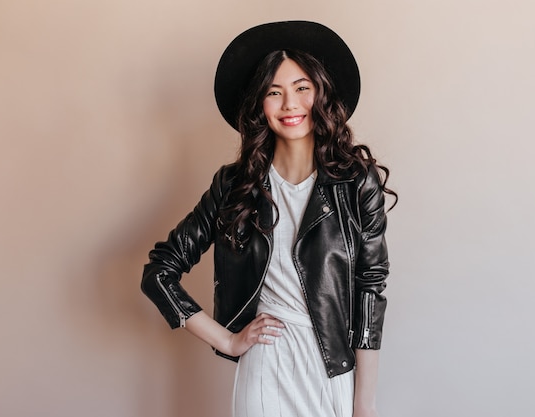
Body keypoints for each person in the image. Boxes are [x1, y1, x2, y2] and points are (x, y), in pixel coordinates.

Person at [141, 21, 397, 417]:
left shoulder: (356, 182)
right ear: (260, 104)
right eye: (274, 93)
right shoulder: (234, 185)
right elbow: (159, 271)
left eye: (301, 88)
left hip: (332, 369)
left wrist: (364, 402)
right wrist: (226, 341)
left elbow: (370, 289)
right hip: (266, 368)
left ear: (321, 94)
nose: (290, 104)